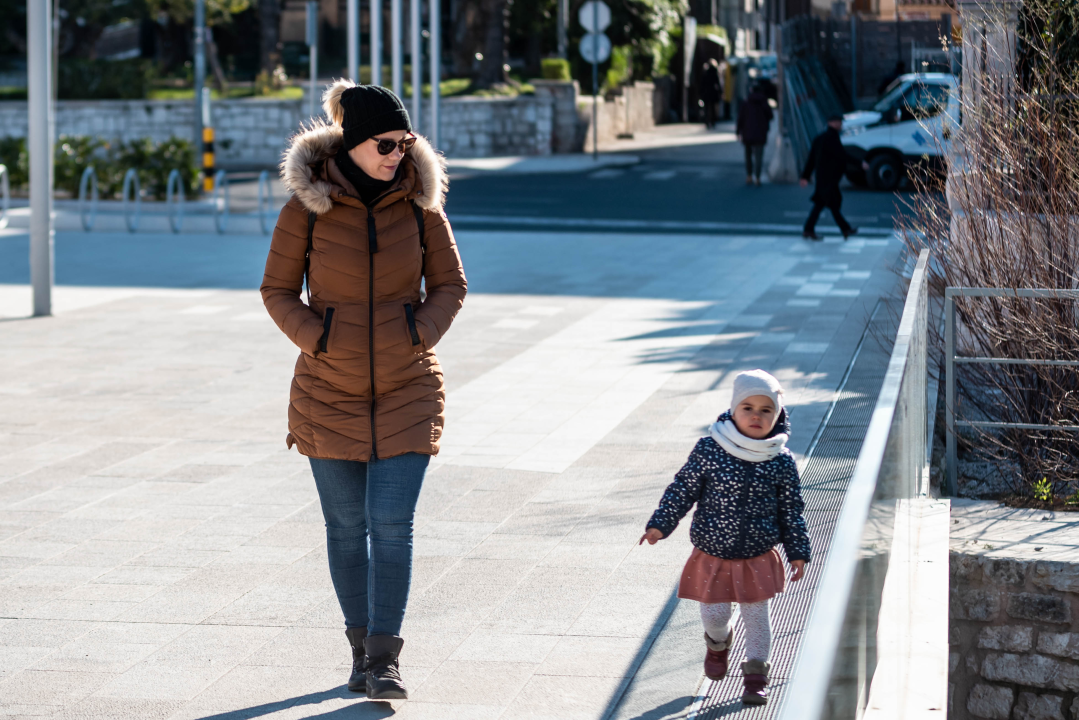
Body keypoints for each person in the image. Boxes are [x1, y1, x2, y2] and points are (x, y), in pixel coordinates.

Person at [261, 80, 467, 700]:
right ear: (353, 144)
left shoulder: (420, 203)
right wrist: (319, 338)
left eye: (405, 143)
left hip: (408, 388)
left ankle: (385, 659)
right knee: (347, 527)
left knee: (392, 523)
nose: (398, 154)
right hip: (328, 391)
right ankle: (358, 651)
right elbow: (276, 290)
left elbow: (451, 284)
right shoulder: (308, 206)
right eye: (386, 143)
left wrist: (417, 332)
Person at [640, 370, 810, 706]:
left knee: (757, 619)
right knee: (715, 616)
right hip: (713, 553)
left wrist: (797, 551)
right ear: (733, 409)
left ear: (777, 416)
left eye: (766, 410)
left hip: (757, 555)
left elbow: (791, 511)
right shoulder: (710, 449)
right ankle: (718, 644)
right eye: (748, 407)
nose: (756, 416)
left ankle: (756, 676)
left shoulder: (780, 461)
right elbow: (683, 489)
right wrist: (661, 523)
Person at [800, 115, 865, 240]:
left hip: (823, 177)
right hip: (829, 178)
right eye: (839, 122)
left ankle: (842, 229)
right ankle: (843, 229)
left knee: (827, 203)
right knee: (826, 203)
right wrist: (860, 163)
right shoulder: (831, 138)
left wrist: (805, 176)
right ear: (832, 122)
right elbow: (843, 155)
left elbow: (811, 159)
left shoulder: (820, 138)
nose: (841, 124)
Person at [736, 83, 773, 185]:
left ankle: (749, 176)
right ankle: (757, 178)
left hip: (747, 132)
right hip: (760, 133)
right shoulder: (764, 102)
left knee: (748, 155)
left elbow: (740, 118)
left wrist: (738, 131)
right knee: (758, 156)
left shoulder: (746, 102)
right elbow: (770, 116)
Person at [699, 59, 722, 129]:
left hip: (706, 92)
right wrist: (720, 91)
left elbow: (702, 84)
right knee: (712, 108)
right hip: (712, 92)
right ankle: (713, 121)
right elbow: (717, 83)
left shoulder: (705, 72)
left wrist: (701, 93)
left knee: (706, 108)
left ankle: (707, 121)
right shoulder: (715, 72)